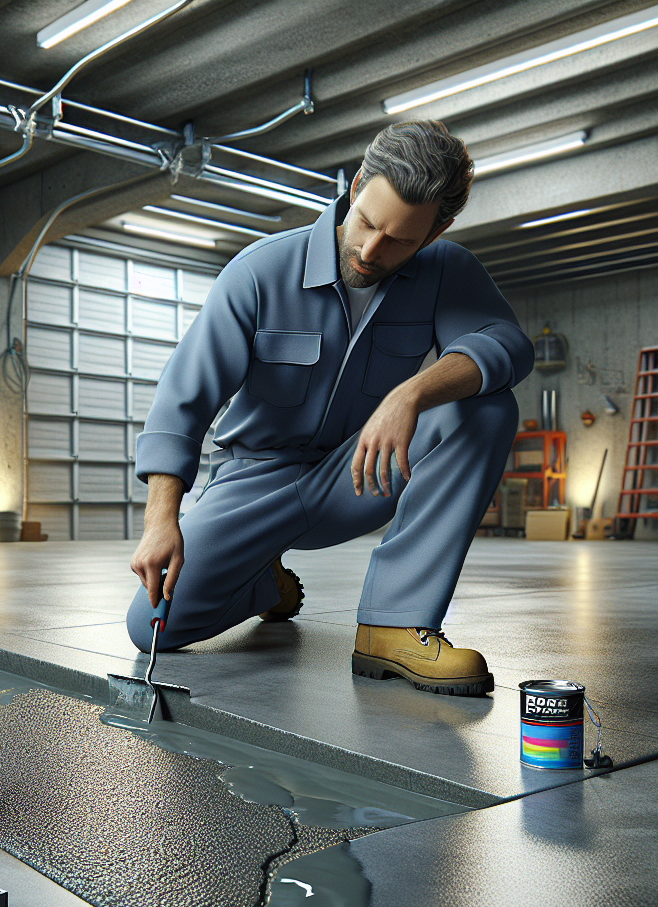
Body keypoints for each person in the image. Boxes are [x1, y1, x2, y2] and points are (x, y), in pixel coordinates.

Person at [127, 120, 533, 696]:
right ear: (359, 183)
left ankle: (394, 623)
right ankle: (262, 583)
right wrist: (160, 519)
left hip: (359, 473)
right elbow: (180, 404)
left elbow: (507, 346)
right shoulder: (260, 272)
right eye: (367, 222)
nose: (371, 251)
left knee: (487, 408)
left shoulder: (446, 272)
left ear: (437, 229)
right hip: (255, 484)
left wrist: (411, 393)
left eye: (399, 241)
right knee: (150, 627)